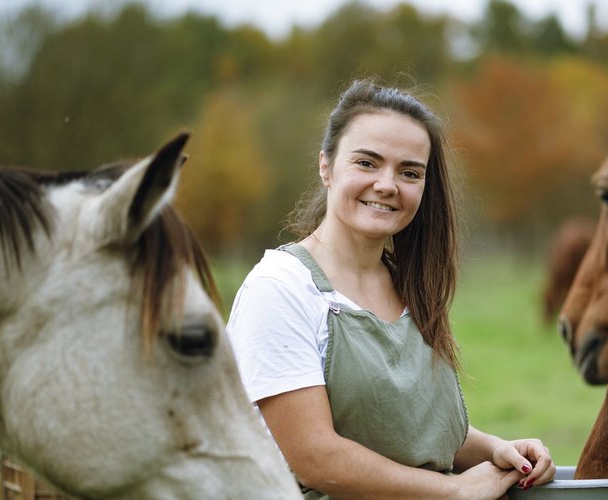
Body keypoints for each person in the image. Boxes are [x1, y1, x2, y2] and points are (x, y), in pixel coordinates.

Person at [227, 78, 556, 499]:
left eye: (409, 172)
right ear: (326, 166)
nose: (387, 184)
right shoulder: (281, 290)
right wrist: (451, 492)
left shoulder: (411, 286)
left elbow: (412, 431)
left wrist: (498, 449)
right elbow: (316, 457)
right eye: (367, 163)